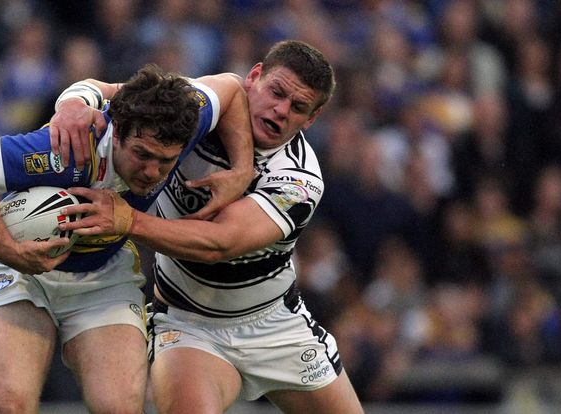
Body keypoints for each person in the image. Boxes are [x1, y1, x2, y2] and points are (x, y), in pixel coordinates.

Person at [51, 40, 364, 413]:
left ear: (311, 119)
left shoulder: (299, 178)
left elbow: (219, 243)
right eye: (276, 92)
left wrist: (125, 219)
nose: (280, 111)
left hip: (275, 323)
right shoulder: (195, 106)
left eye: (297, 108)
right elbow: (105, 91)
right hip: (188, 322)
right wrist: (72, 103)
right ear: (254, 77)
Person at [0, 64, 254, 414]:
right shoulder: (66, 147)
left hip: (104, 277)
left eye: (165, 161)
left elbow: (232, 87)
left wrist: (242, 170)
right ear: (116, 133)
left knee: (118, 408)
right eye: (142, 154)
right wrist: (6, 248)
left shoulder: (188, 118)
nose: (151, 172)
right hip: (21, 273)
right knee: (8, 405)